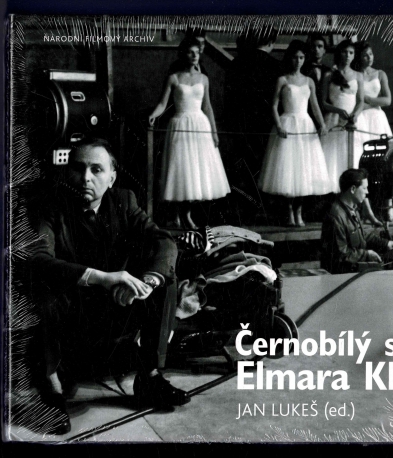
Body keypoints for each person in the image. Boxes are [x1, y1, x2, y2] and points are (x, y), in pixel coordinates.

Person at [29, 138, 190, 435]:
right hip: (70, 309)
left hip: (114, 304)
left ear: (111, 177)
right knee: (42, 289)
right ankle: (51, 389)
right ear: (67, 172)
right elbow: (38, 258)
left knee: (165, 279)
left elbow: (163, 241)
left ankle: (150, 376)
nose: (86, 178)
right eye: (78, 168)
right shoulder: (50, 205)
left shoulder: (124, 201)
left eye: (96, 169)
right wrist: (103, 277)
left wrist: (148, 282)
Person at [149, 37, 230, 229]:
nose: (194, 56)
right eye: (190, 52)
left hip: (200, 126)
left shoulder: (204, 79)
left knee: (196, 172)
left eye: (197, 52)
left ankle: (186, 214)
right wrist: (153, 115)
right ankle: (178, 215)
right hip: (180, 125)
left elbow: (207, 107)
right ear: (182, 54)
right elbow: (162, 103)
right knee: (181, 171)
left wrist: (214, 132)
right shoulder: (174, 78)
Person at [258, 40, 331, 227]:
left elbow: (315, 106)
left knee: (303, 170)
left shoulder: (309, 81)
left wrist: (322, 124)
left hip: (305, 126)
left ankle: (299, 211)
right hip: (288, 124)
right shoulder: (282, 80)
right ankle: (289, 211)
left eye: (301, 57)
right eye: (295, 57)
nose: (298, 61)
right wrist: (278, 125)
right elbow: (273, 106)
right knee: (288, 170)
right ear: (289, 58)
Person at [224, 27, 281, 223]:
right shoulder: (276, 66)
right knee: (266, 167)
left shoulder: (237, 63)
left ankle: (243, 212)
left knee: (243, 168)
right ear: (272, 42)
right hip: (266, 126)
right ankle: (264, 211)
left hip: (240, 125)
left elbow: (229, 99)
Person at [321, 40, 380, 226]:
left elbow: (361, 100)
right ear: (339, 53)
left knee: (353, 165)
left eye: (351, 53)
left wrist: (354, 115)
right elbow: (323, 102)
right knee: (333, 164)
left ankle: (364, 211)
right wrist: (338, 111)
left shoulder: (358, 75)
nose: (347, 56)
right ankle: (337, 213)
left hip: (353, 122)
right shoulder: (329, 74)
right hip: (334, 121)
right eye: (344, 52)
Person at [320, 168, 393, 274]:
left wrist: (385, 243)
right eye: (365, 188)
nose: (367, 192)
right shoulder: (335, 217)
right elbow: (341, 254)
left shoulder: (352, 208)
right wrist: (366, 255)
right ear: (353, 189)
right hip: (339, 275)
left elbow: (362, 235)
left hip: (351, 270)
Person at [352, 41, 393, 222]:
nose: (369, 58)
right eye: (365, 55)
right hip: (362, 118)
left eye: (370, 54)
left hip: (377, 119)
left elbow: (387, 100)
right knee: (364, 163)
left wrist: (368, 100)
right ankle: (365, 207)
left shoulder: (380, 74)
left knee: (383, 162)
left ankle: (387, 204)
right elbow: (355, 100)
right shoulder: (355, 75)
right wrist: (363, 103)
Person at [302, 33, 330, 112]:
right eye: (313, 46)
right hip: (307, 109)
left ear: (324, 50)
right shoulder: (302, 69)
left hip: (325, 110)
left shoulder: (328, 70)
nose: (316, 49)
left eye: (320, 46)